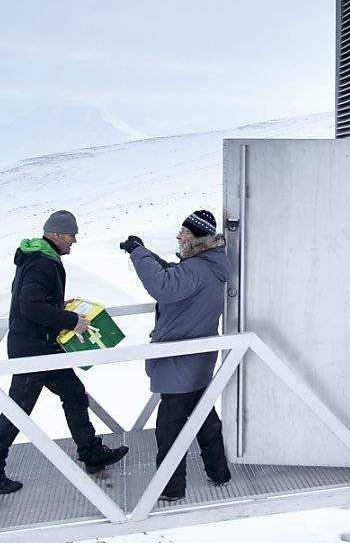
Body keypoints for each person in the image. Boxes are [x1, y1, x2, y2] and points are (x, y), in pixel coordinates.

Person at [0, 210, 129, 494]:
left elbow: (35, 301)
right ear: (57, 234)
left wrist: (58, 305)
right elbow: (30, 307)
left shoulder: (37, 257)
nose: (74, 241)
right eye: (71, 235)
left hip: (43, 346)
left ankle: (92, 454)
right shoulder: (41, 263)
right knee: (17, 410)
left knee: (73, 393)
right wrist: (71, 320)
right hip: (32, 350)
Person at [120, 209, 231, 502]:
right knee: (204, 417)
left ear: (195, 238)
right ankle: (219, 472)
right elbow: (173, 272)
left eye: (183, 231)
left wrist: (138, 254)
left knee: (170, 429)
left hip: (179, 361)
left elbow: (163, 286)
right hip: (196, 360)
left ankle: (171, 489)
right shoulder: (208, 265)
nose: (179, 236)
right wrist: (147, 252)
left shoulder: (196, 269)